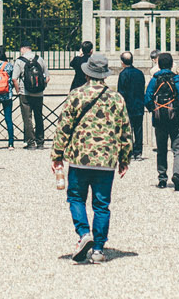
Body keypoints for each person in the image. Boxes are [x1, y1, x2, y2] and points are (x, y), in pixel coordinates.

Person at [50, 52, 132, 264]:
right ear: (104, 75)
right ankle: (98, 249)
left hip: (80, 156)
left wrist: (57, 154)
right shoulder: (116, 98)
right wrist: (125, 158)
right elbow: (125, 131)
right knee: (102, 204)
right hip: (106, 158)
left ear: (87, 73)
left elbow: (64, 127)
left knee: (76, 197)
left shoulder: (76, 95)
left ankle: (84, 232)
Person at [146, 51, 179, 191]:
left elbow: (147, 99)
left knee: (161, 149)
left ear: (159, 65)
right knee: (178, 149)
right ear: (172, 64)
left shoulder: (154, 80)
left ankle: (162, 178)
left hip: (160, 120)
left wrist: (155, 110)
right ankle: (177, 174)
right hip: (176, 118)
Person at [14, 45, 47, 148]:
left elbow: (14, 78)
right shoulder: (40, 59)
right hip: (38, 93)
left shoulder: (19, 61)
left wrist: (18, 90)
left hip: (25, 93)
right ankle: (40, 142)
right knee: (39, 117)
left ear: (23, 48)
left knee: (27, 118)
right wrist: (42, 87)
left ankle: (30, 142)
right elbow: (48, 77)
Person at [116, 51, 146, 159]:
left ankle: (128, 150)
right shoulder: (139, 73)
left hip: (128, 106)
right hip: (138, 104)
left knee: (127, 130)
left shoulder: (123, 74)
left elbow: (121, 92)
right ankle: (138, 151)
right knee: (138, 129)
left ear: (122, 62)